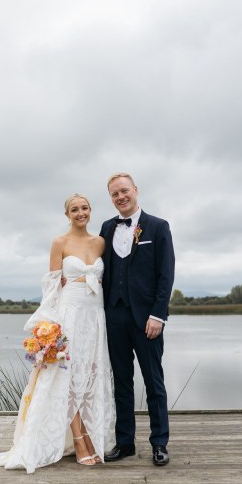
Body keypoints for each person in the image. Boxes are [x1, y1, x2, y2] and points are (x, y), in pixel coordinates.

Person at [0, 194, 115, 473]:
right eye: (75, 209)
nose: (80, 213)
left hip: (95, 317)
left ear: (90, 211)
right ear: (67, 214)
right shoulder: (59, 242)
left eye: (84, 208)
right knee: (67, 377)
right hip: (69, 314)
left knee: (90, 374)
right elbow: (50, 286)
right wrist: (48, 326)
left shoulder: (100, 243)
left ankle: (93, 434)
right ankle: (80, 440)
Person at [99, 173, 175, 466]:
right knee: (121, 381)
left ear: (135, 191)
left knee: (154, 381)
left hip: (147, 319)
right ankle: (125, 442)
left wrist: (158, 315)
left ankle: (159, 443)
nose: (121, 197)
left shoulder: (158, 226)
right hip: (114, 315)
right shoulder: (106, 228)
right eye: (115, 194)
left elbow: (165, 275)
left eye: (124, 191)